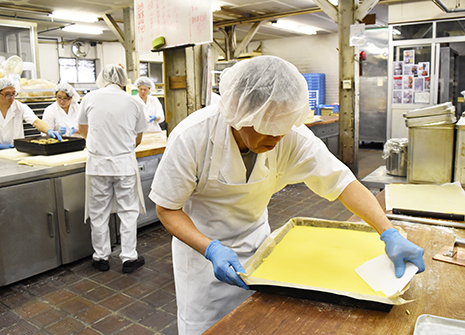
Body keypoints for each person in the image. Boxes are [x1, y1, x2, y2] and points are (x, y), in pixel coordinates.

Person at [149, 56, 425, 335]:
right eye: (269, 129)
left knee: (260, 322)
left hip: (257, 246)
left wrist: (388, 232)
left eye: (283, 129)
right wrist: (211, 248)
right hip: (204, 257)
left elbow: (343, 182)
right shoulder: (192, 137)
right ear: (239, 114)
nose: (277, 140)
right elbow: (167, 209)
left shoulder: (289, 135)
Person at [78, 64, 147, 273]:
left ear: (102, 78)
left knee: (98, 212)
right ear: (123, 79)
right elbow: (139, 136)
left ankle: (101, 257)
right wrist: (121, 149)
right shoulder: (133, 101)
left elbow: (82, 129)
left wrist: (99, 145)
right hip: (124, 165)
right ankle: (129, 257)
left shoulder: (90, 98)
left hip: (97, 165)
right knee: (128, 211)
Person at [0, 77, 62, 149]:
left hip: (15, 149)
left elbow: (36, 121)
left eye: (13, 93)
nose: (12, 97)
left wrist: (48, 131)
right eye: (7, 94)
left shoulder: (19, 107)